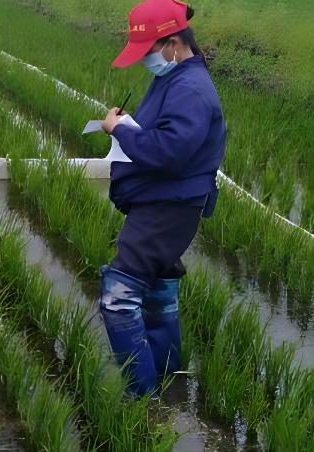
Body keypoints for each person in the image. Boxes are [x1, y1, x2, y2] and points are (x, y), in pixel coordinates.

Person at [99, 0, 226, 396]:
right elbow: (165, 133)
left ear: (172, 44)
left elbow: (170, 152)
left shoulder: (189, 88)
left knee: (118, 298)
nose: (144, 62)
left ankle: (140, 398)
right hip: (166, 200)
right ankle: (168, 376)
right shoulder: (175, 77)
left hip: (169, 206)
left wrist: (120, 131)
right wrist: (129, 124)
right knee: (156, 285)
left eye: (148, 52)